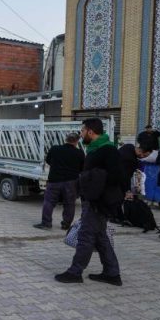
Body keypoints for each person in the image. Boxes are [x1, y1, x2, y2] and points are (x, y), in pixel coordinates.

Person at [55, 118, 123, 286]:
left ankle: (75, 272)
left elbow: (117, 177)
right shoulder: (95, 149)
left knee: (86, 236)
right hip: (94, 200)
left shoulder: (107, 150)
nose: (81, 134)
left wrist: (96, 192)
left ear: (91, 132)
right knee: (100, 237)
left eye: (83, 131)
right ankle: (112, 273)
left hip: (97, 202)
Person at [34, 132, 85, 231]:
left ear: (66, 139)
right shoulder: (79, 153)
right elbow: (82, 168)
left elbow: (48, 160)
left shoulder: (55, 149)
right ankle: (66, 225)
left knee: (49, 202)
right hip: (71, 182)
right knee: (69, 204)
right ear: (77, 141)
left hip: (54, 180)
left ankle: (46, 223)